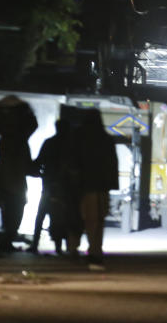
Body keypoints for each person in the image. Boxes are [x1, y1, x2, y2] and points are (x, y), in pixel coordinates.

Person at [75, 110, 118, 265]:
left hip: (88, 185)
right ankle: (96, 249)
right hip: (102, 186)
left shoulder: (81, 138)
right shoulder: (106, 139)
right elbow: (112, 163)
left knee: (90, 219)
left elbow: (77, 161)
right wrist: (112, 183)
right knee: (99, 219)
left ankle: (93, 249)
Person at [28, 120, 73, 255]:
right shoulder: (71, 145)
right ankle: (59, 247)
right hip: (65, 188)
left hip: (48, 185)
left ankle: (35, 244)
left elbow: (39, 161)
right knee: (60, 216)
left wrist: (34, 170)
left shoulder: (49, 143)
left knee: (41, 215)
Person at [0, 129, 31, 253]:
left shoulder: (4, 139)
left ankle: (6, 241)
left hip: (5, 183)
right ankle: (7, 241)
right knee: (15, 214)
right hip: (16, 185)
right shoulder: (21, 142)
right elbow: (27, 165)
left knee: (8, 214)